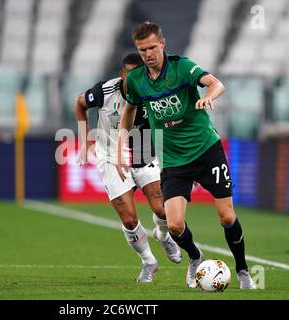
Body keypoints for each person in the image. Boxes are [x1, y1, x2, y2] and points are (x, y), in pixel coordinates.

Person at [116, 22, 257, 289]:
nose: (147, 54)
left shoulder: (181, 68)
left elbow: (216, 84)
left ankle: (242, 271)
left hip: (206, 150)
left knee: (226, 216)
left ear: (163, 44)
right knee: (175, 225)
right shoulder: (135, 79)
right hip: (172, 160)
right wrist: (122, 148)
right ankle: (195, 257)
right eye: (142, 49)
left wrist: (208, 97)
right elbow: (129, 113)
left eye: (152, 48)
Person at [75, 53, 181, 283]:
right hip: (112, 155)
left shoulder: (152, 92)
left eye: (139, 73)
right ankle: (148, 261)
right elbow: (80, 103)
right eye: (130, 74)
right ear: (122, 74)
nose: (135, 79)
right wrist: (84, 141)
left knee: (164, 210)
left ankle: (163, 236)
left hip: (144, 152)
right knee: (130, 219)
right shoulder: (105, 91)